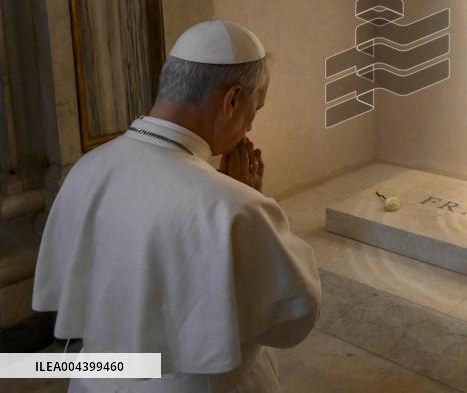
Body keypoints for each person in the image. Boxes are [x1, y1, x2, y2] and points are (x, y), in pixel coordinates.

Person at [33, 20, 320, 392]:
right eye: (256, 109)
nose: (250, 126)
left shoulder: (87, 168)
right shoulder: (237, 207)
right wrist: (248, 198)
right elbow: (294, 314)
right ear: (231, 101)